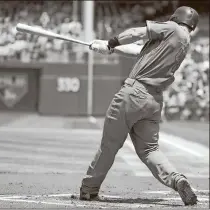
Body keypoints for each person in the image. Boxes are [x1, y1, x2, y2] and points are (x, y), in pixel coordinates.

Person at [80, 6, 199, 206]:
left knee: (109, 145)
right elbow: (139, 50)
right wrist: (110, 48)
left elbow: (136, 33)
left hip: (133, 94)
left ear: (176, 18)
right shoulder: (184, 42)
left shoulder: (171, 28)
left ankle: (89, 190)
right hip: (153, 101)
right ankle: (177, 179)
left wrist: (110, 42)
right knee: (150, 150)